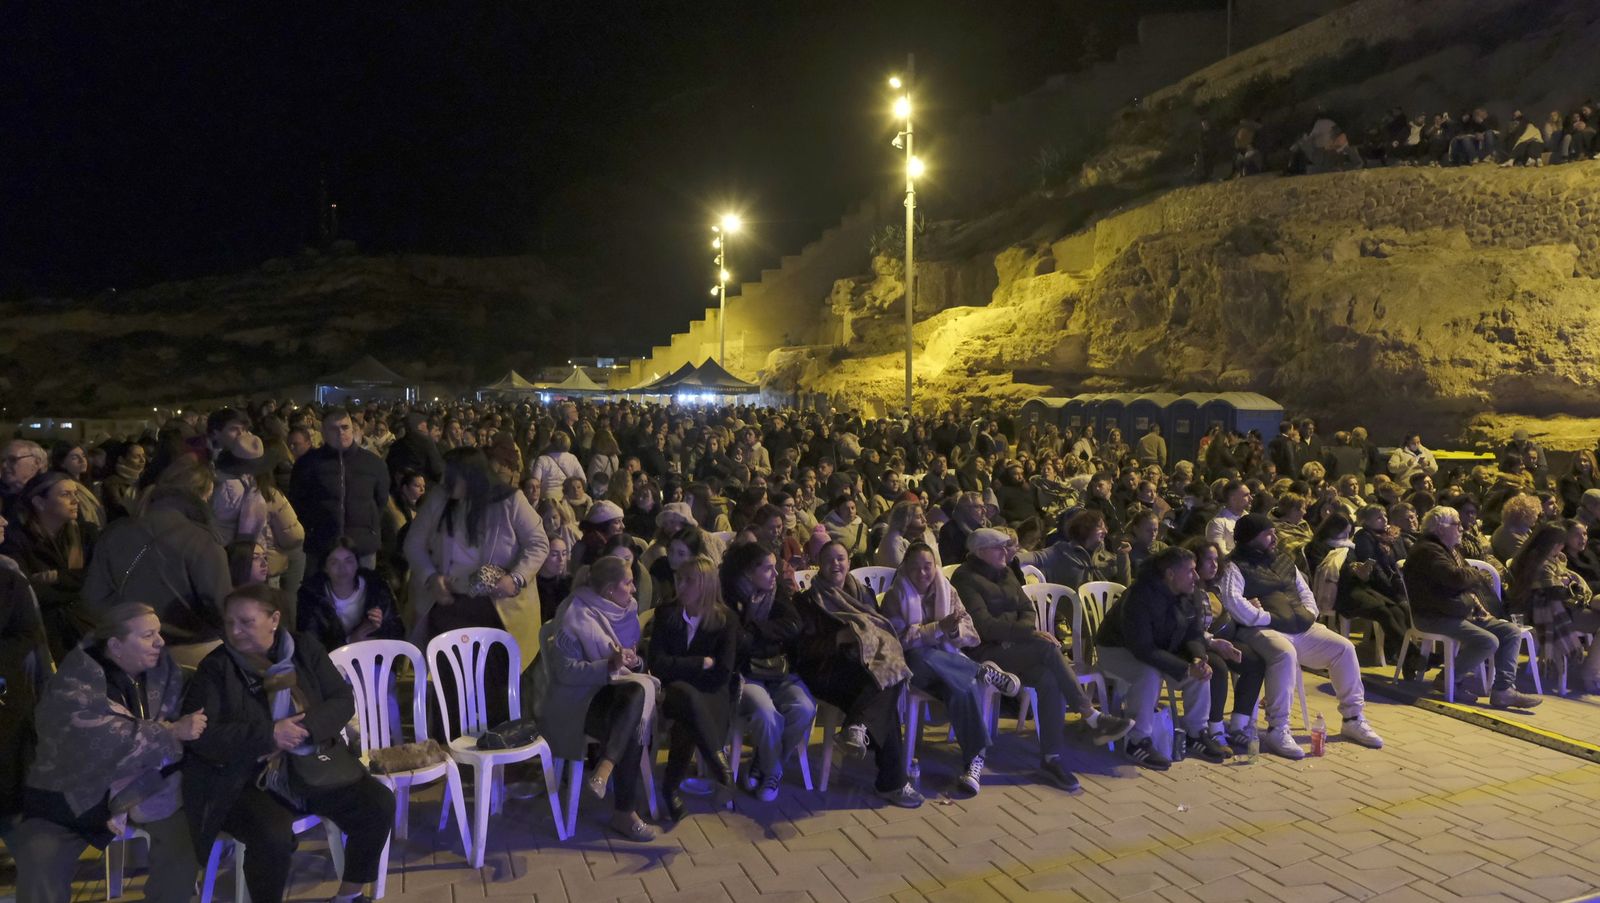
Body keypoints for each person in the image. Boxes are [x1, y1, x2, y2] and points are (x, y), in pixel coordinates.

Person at [181, 585, 394, 903]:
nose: (235, 631)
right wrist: (270, 733)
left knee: (378, 803)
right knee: (272, 835)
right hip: (248, 778)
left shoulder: (304, 649)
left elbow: (341, 699)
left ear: (274, 619)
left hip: (309, 764)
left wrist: (305, 727)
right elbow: (205, 738)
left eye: (246, 621)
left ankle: (349, 895)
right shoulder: (217, 668)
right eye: (229, 623)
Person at [14, 603, 202, 903]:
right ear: (116, 645)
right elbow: (99, 738)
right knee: (39, 858)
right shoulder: (73, 683)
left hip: (147, 787)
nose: (160, 642)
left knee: (182, 847)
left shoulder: (167, 674)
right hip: (76, 794)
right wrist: (170, 732)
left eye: (159, 633)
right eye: (148, 635)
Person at [953, 528, 1134, 792]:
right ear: (981, 552)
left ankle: (1051, 759)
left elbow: (1027, 609)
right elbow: (984, 627)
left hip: (1013, 648)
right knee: (1047, 649)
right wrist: (1025, 631)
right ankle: (1090, 715)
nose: (1006, 552)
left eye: (1007, 547)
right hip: (984, 654)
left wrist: (1020, 630)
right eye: (999, 548)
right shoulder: (965, 578)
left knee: (1050, 679)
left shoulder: (1005, 572)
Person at [1219, 514, 1385, 750]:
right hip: (1260, 629)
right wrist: (1265, 617)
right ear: (1251, 538)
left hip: (1299, 626)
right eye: (1268, 534)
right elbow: (1233, 601)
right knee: (1284, 653)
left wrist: (1308, 614)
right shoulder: (1234, 565)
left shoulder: (1284, 560)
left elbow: (1305, 592)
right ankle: (1278, 728)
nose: (1274, 537)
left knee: (1344, 648)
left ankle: (1353, 719)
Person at [532, 556, 658, 841]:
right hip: (576, 703)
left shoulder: (625, 612)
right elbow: (566, 674)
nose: (634, 589)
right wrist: (609, 666)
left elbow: (630, 666)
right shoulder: (575, 614)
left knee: (635, 697)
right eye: (628, 583)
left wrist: (633, 661)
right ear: (610, 590)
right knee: (632, 716)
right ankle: (624, 812)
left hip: (610, 695)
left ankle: (606, 767)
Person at [879, 543, 1020, 795]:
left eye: (928, 567)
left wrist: (953, 630)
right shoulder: (895, 596)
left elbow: (970, 633)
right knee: (921, 655)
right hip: (912, 669)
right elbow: (896, 640)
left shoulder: (948, 590)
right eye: (916, 568)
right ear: (905, 570)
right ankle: (979, 670)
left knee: (961, 687)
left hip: (947, 667)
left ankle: (973, 764)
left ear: (935, 566)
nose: (923, 573)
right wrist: (937, 629)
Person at [792, 542, 923, 808]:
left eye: (841, 558)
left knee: (890, 676)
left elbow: (879, 630)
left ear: (849, 562)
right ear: (819, 564)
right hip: (825, 670)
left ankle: (857, 728)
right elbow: (800, 650)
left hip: (862, 667)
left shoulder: (863, 593)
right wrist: (838, 639)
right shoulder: (807, 600)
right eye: (829, 560)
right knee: (885, 689)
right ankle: (890, 780)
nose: (836, 564)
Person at [1095, 546, 1232, 769]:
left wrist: (1198, 658)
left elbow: (1193, 633)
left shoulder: (1190, 593)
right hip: (1116, 649)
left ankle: (1196, 734)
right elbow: (1142, 649)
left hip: (1158, 647)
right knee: (1148, 673)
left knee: (1202, 672)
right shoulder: (1140, 597)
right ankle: (1137, 740)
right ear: (1170, 574)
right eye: (1190, 571)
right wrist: (1184, 668)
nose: (1196, 577)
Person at [82, 477, 233, 667]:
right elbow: (220, 607)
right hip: (191, 652)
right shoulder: (201, 540)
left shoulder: (114, 534)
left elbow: (93, 599)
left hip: (129, 651)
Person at [1405, 507, 1542, 707]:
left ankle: (1503, 690)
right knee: (1487, 641)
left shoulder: (1449, 549)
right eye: (1456, 524)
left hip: (1455, 612)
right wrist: (1474, 573)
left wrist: (1469, 576)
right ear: (1440, 528)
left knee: (1510, 632)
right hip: (1434, 616)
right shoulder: (1427, 551)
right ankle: (1449, 679)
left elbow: (1461, 577)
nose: (1461, 528)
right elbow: (1457, 578)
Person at [720, 541, 815, 802]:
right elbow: (737, 640)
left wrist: (757, 631)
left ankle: (762, 763)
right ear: (748, 573)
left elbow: (793, 625)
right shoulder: (728, 596)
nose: (775, 575)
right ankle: (773, 771)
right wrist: (767, 636)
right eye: (768, 569)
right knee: (766, 714)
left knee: (804, 708)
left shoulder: (776, 593)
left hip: (778, 671)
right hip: (745, 675)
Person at [647, 557, 738, 823]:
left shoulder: (726, 619)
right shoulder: (667, 614)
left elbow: (723, 671)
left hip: (712, 693)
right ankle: (719, 765)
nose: (681, 585)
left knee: (689, 715)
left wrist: (683, 668)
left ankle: (670, 788)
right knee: (683, 694)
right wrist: (699, 663)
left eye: (689, 580)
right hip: (674, 693)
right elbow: (658, 664)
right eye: (679, 579)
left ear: (706, 585)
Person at [1, 473, 96, 660]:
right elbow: (28, 592)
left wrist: (57, 577)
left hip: (85, 625)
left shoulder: (86, 534)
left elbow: (97, 580)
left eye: (75, 493)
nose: (75, 500)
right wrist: (76, 581)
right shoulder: (17, 539)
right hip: (45, 632)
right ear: (40, 502)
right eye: (65, 494)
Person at [290, 407, 390, 575]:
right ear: (323, 432)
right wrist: (313, 527)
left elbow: (381, 499)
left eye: (345, 427)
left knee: (362, 595)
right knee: (320, 597)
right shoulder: (308, 464)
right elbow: (298, 500)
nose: (341, 433)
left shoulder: (373, 463)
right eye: (333, 428)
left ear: (352, 429)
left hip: (362, 546)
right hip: (321, 545)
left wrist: (368, 526)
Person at [1506, 522, 1599, 685]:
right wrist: (1566, 581)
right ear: (1553, 543)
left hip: (1553, 608)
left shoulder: (1545, 558)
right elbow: (1555, 592)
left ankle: (1591, 671)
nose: (1562, 548)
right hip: (1545, 613)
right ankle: (1590, 674)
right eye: (1560, 543)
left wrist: (1566, 580)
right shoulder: (1539, 562)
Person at [298, 538, 406, 652]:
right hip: (331, 664)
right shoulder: (311, 597)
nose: (342, 568)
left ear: (357, 564)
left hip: (371, 657)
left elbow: (397, 634)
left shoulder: (376, 589)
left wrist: (380, 625)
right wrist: (349, 641)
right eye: (334, 562)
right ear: (325, 568)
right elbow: (311, 647)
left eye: (348, 561)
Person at [876, 500, 938, 569]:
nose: (924, 520)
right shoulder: (893, 542)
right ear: (905, 520)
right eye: (918, 517)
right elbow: (902, 571)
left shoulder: (916, 537)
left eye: (923, 515)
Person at [1, 440, 48, 521]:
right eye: (2, 460)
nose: (4, 465)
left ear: (36, 463)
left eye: (13, 459)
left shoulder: (50, 495)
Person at [536, 535, 573, 622]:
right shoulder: (534, 587)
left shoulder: (569, 583)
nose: (561, 559)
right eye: (554, 554)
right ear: (542, 556)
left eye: (564, 554)